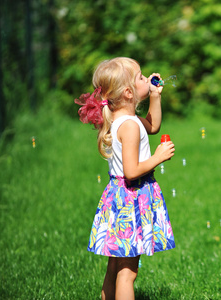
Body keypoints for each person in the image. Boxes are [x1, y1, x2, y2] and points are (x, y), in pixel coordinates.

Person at [74, 57, 176, 300]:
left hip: (119, 199)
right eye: (141, 77)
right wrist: (158, 157)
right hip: (132, 200)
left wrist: (155, 96)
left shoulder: (124, 120)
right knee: (128, 272)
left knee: (115, 267)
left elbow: (152, 126)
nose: (146, 78)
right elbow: (131, 171)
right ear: (129, 92)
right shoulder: (129, 126)